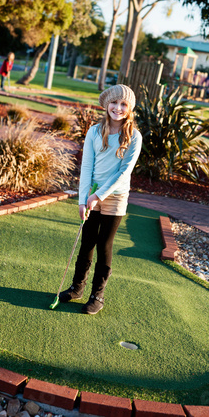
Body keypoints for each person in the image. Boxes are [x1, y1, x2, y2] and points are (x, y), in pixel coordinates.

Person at [59, 84, 142, 315]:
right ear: (107, 105)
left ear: (129, 108)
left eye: (123, 104)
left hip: (115, 196)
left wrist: (99, 195)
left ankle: (97, 295)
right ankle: (77, 288)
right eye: (114, 103)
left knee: (104, 244)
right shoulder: (95, 131)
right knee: (87, 241)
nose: (118, 108)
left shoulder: (134, 136)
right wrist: (83, 199)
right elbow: (86, 167)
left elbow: (124, 172)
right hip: (92, 192)